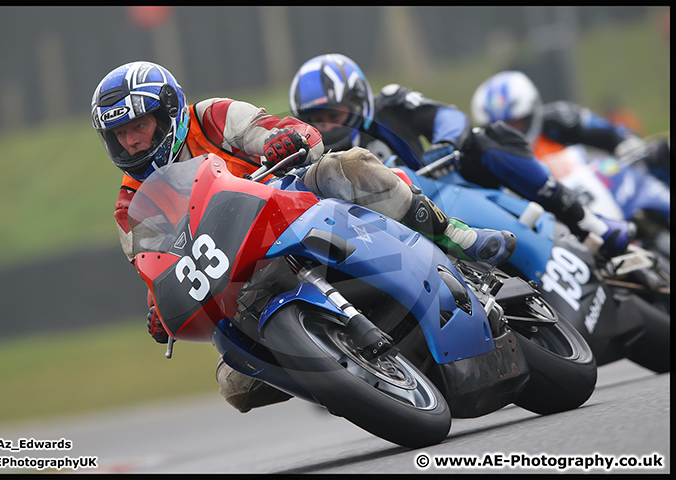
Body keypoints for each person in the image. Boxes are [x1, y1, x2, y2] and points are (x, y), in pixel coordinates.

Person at [91, 61, 516, 413]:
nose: (131, 142)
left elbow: (288, 131)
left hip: (288, 205)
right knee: (236, 385)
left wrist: (284, 140)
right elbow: (158, 270)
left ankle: (453, 236)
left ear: (168, 113)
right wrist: (159, 309)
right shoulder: (129, 207)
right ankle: (342, 374)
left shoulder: (213, 117)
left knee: (346, 166)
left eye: (139, 126)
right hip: (241, 277)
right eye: (119, 135)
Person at [288, 54, 638, 257]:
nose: (330, 126)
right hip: (391, 231)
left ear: (359, 99)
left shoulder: (391, 102)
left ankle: (585, 221)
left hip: (443, 182)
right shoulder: (316, 158)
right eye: (317, 119)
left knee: (488, 140)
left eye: (336, 114)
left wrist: (445, 142)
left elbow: (448, 116)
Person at [470, 70, 670, 186]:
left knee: (661, 153)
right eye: (499, 127)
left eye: (516, 122)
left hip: (607, 186)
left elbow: (611, 134)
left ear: (533, 112)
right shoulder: (490, 160)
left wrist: (626, 142)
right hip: (566, 221)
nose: (510, 131)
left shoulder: (561, 119)